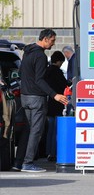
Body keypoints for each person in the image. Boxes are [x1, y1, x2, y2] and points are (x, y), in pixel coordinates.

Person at [19, 28, 68, 172]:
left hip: (25, 97)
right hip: (36, 99)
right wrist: (55, 95)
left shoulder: (27, 53)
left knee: (28, 131)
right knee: (36, 131)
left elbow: (22, 73)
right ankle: (28, 163)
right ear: (45, 39)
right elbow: (39, 80)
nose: (53, 44)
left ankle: (18, 162)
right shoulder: (40, 56)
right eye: (52, 41)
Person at [45, 51, 68, 162]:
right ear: (58, 61)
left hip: (49, 103)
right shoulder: (58, 72)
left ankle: (48, 152)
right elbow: (64, 85)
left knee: (50, 129)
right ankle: (54, 153)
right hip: (58, 103)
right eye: (61, 62)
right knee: (56, 130)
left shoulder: (47, 71)